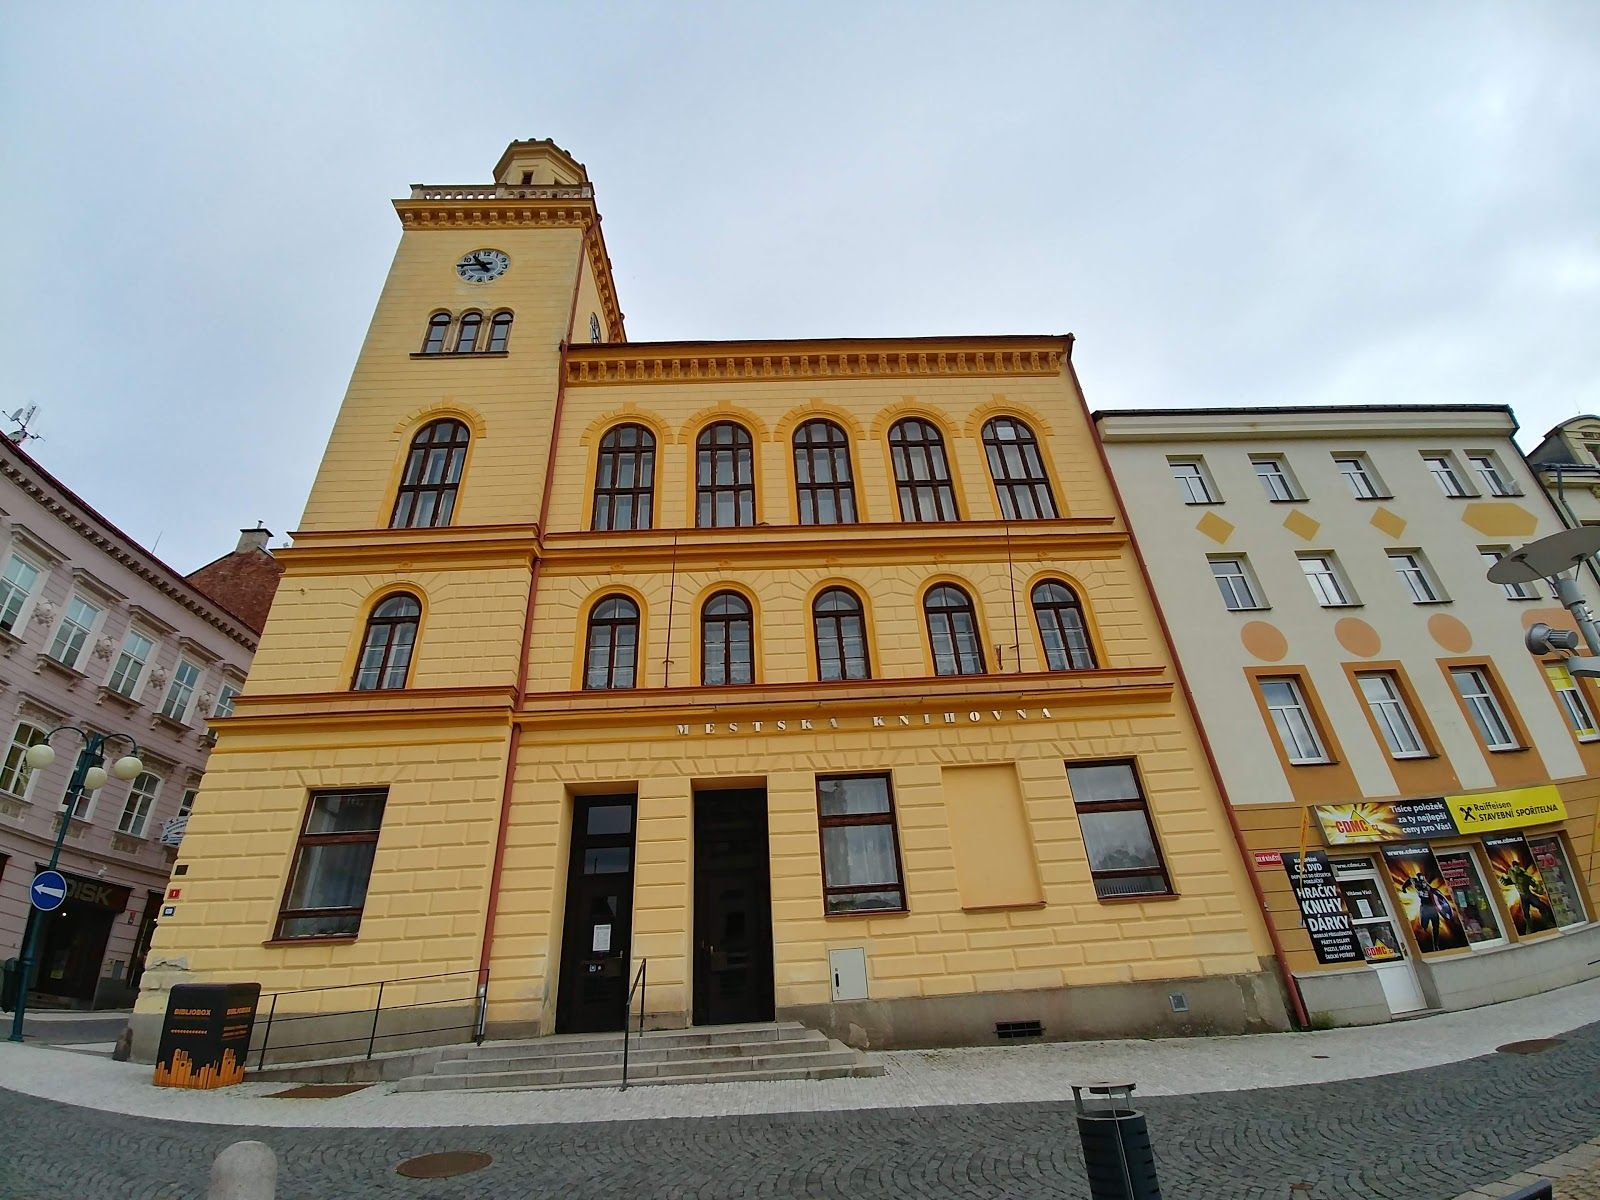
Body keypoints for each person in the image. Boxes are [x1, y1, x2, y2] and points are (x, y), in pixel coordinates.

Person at [1399, 871, 1458, 951]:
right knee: (1424, 926)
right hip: (1424, 908)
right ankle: (1426, 942)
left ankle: (1436, 945)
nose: (1422, 883)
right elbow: (1409, 881)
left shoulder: (1430, 888)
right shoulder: (1415, 882)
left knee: (1435, 928)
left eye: (1423, 881)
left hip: (1433, 909)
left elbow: (1439, 898)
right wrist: (1404, 888)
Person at [1498, 860, 1555, 932]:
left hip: (1529, 895)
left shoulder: (1525, 876)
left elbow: (1534, 884)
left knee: (1541, 906)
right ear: (1513, 868)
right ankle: (1529, 928)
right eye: (1515, 868)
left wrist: (1538, 886)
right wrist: (1502, 880)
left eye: (1517, 867)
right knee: (1526, 913)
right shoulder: (1513, 877)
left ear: (1519, 867)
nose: (1516, 869)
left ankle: (1548, 922)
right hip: (1523, 897)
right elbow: (1506, 882)